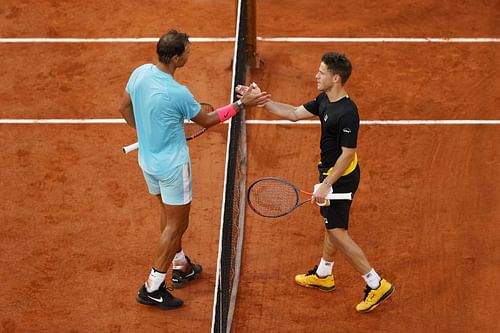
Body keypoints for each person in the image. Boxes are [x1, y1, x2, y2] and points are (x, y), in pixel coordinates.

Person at [119, 29, 270, 309]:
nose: (190, 54)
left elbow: (124, 107)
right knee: (178, 224)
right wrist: (241, 104)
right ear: (176, 58)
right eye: (187, 51)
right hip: (174, 168)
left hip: (148, 162)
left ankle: (180, 265)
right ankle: (152, 287)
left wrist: (146, 132)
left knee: (166, 214)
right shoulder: (179, 93)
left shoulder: (139, 73)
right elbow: (208, 119)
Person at [237, 52, 394, 313]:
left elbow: (348, 153)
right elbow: (294, 114)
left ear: (335, 78)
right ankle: (324, 274)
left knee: (337, 232)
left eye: (321, 73)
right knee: (331, 225)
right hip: (330, 175)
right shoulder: (324, 100)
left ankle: (375, 283)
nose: (316, 76)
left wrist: (327, 185)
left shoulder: (347, 112)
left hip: (340, 178)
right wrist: (262, 101)